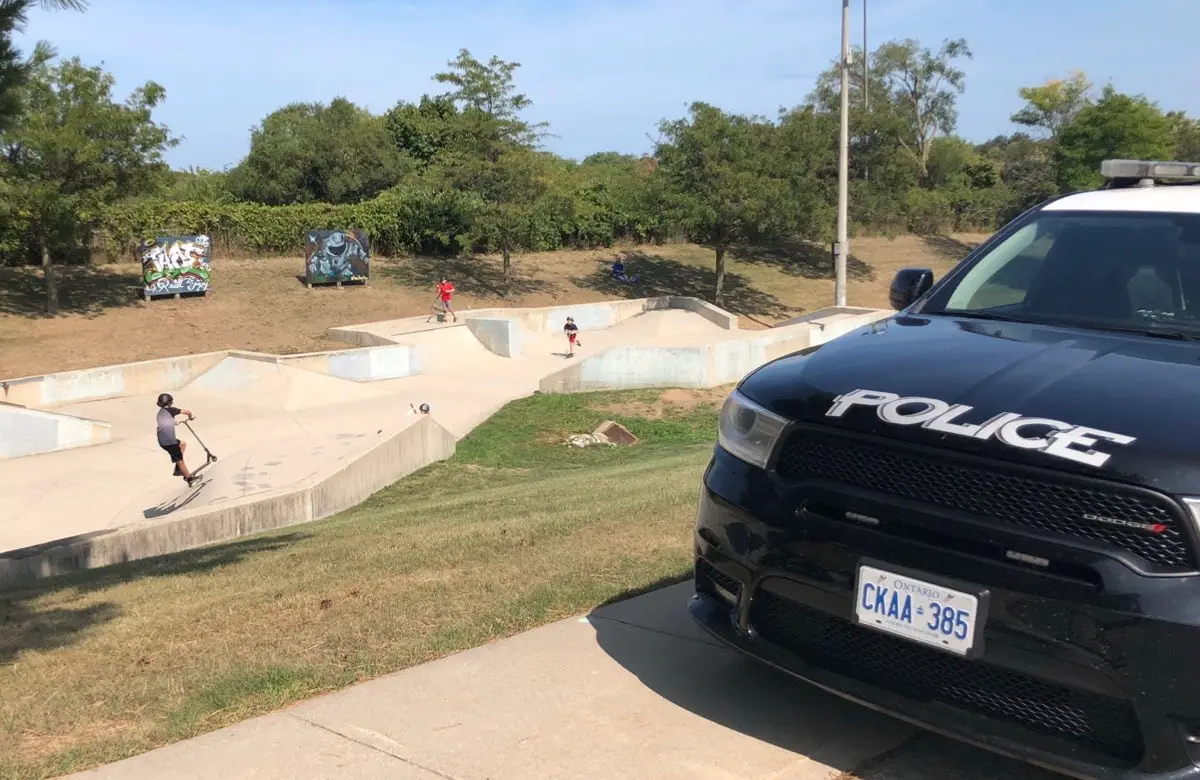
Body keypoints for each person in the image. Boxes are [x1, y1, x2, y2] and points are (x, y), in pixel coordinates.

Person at [156, 392, 198, 486]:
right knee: (179, 459)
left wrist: (173, 422)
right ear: (170, 402)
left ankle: (178, 469)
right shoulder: (172, 410)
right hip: (169, 442)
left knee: (182, 444)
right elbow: (187, 412)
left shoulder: (161, 413)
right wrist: (190, 418)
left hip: (163, 441)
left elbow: (164, 422)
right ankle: (189, 479)